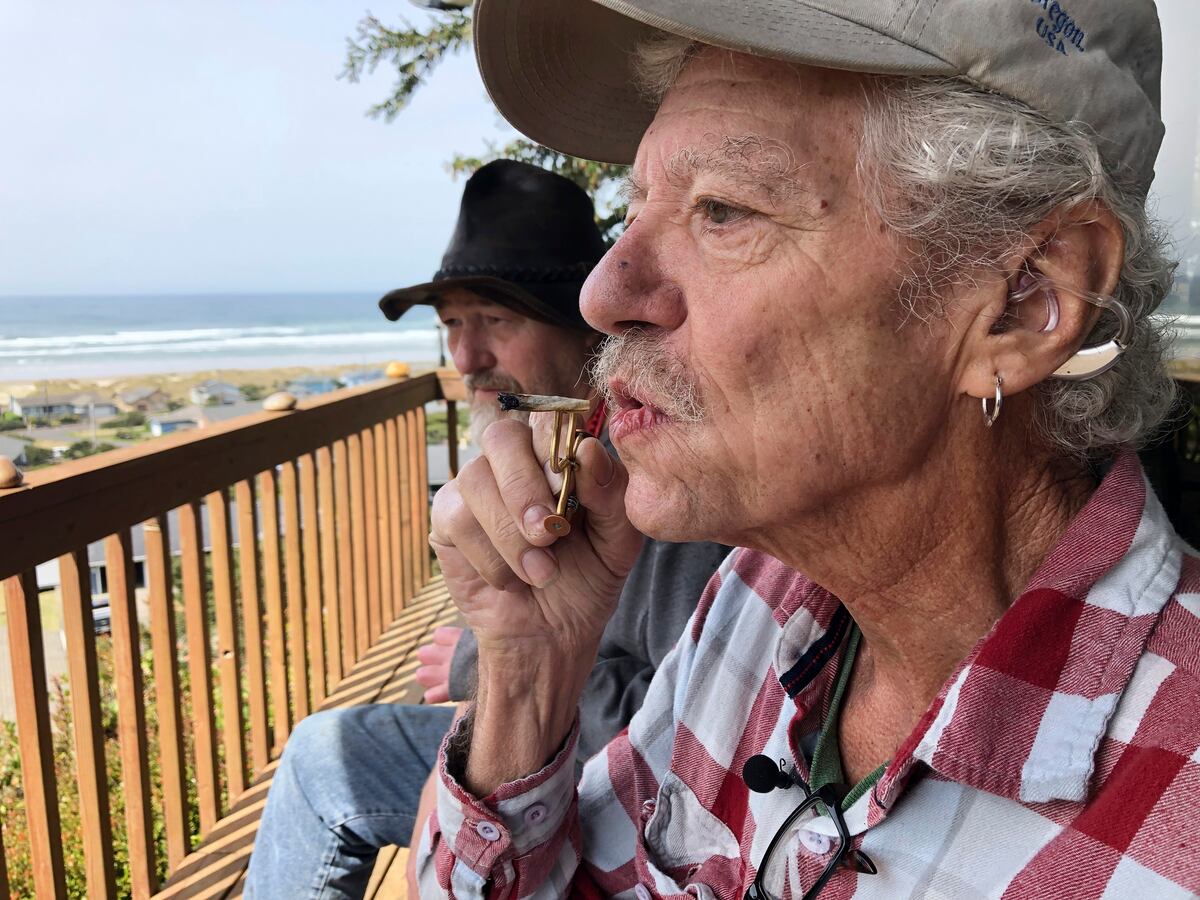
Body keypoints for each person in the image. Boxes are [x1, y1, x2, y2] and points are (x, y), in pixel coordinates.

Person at [417, 1, 1200, 898]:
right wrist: (529, 674)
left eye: (722, 210)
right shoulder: (761, 599)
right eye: (635, 210)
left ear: (1024, 305)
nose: (604, 293)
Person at [243, 159, 729, 898]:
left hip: (613, 797)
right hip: (533, 749)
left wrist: (485, 666)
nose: (466, 358)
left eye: (496, 320)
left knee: (324, 767)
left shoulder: (657, 479)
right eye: (451, 325)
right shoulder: (544, 451)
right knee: (320, 753)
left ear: (585, 327)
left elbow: (697, 722)